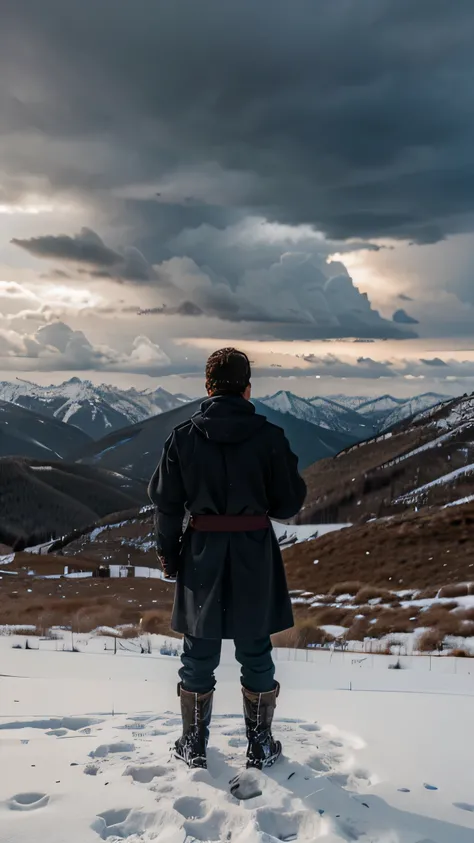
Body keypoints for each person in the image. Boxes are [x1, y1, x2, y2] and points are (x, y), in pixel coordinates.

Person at [148, 347, 306, 770]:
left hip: (201, 552)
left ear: (208, 387)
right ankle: (259, 744)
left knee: (198, 652)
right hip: (254, 551)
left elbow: (167, 508)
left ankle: (193, 744)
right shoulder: (271, 437)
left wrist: (169, 557)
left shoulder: (181, 438)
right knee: (255, 649)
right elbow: (288, 503)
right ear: (247, 387)